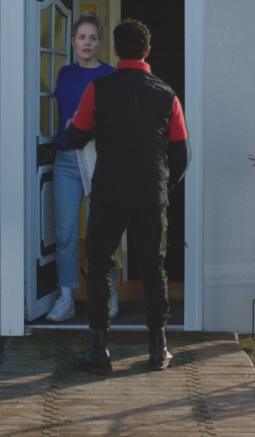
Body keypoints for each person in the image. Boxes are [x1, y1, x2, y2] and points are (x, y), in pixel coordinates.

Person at [62, 19, 189, 373]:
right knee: (153, 268)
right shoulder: (167, 94)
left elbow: (75, 138)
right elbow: (182, 155)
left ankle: (99, 351)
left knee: (101, 265)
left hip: (109, 192)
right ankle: (158, 349)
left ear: (115, 50)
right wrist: (165, 184)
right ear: (147, 51)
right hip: (150, 193)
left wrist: (73, 126)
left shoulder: (98, 89)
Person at [46, 12, 118, 323]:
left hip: (99, 159)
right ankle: (66, 297)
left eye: (92, 38)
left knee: (104, 230)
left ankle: (108, 293)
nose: (86, 43)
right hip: (65, 159)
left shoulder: (111, 76)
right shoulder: (63, 74)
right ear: (73, 42)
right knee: (65, 232)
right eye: (81, 37)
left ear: (100, 42)